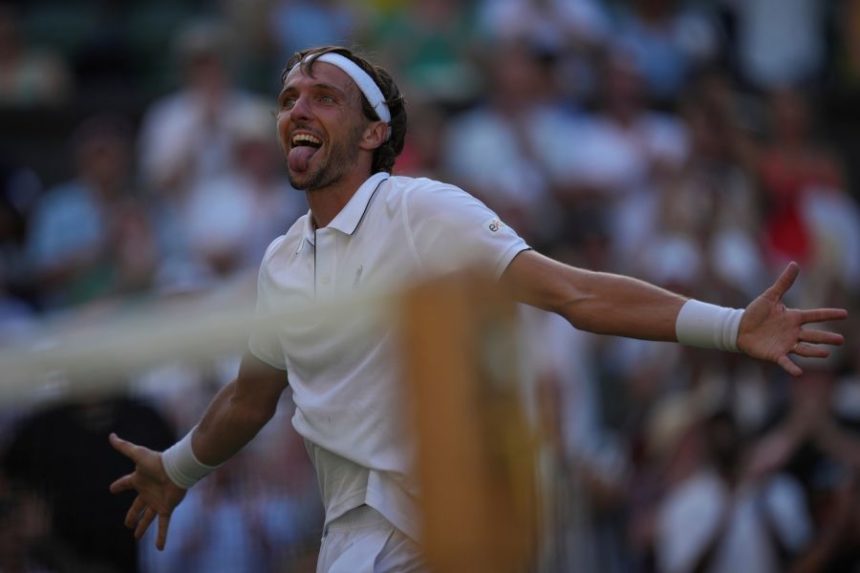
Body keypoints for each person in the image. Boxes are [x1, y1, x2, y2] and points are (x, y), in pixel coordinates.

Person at [108, 45, 847, 572]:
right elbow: (250, 397)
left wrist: (730, 326)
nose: (297, 108)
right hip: (351, 540)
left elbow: (575, 293)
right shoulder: (282, 260)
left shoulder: (420, 208)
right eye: (288, 99)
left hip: (443, 533)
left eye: (323, 97)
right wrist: (179, 467)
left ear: (374, 134)